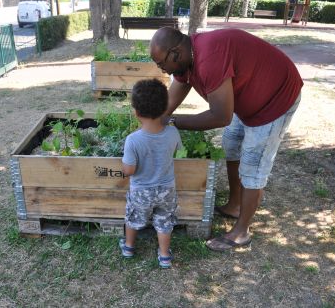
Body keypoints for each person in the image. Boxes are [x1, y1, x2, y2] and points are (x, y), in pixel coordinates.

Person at [149, 27, 303, 252]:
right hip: (249, 97)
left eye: (161, 63)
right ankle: (234, 204)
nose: (160, 68)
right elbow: (173, 97)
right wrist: (153, 120)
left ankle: (242, 231)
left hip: (276, 97)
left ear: (175, 53)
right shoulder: (186, 59)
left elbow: (221, 116)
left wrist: (172, 121)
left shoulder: (209, 60)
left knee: (253, 162)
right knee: (231, 144)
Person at [119, 78, 183, 269]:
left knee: (134, 217)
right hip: (166, 190)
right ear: (165, 109)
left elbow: (129, 170)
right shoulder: (173, 133)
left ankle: (129, 247)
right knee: (164, 221)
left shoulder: (133, 140)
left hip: (141, 191)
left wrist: (124, 167)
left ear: (136, 112)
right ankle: (164, 255)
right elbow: (177, 152)